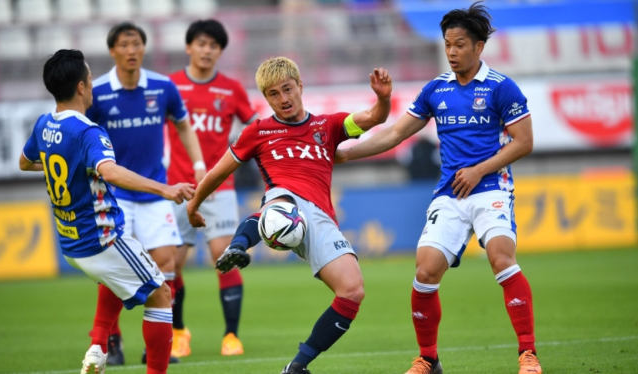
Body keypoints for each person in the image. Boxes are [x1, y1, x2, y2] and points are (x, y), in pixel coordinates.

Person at [335, 2, 541, 374]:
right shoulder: (436, 90)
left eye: (460, 44)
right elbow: (396, 133)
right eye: (447, 44)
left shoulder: (501, 88)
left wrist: (478, 170)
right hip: (450, 193)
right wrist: (347, 153)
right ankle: (428, 359)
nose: (452, 52)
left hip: (491, 186)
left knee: (500, 258)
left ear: (479, 47)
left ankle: (527, 354)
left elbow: (523, 142)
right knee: (425, 272)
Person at [186, 57, 393, 374]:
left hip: (320, 218)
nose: (283, 99)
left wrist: (383, 97)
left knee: (352, 291)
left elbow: (374, 117)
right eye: (273, 94)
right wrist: (194, 203)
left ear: (300, 86)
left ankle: (297, 366)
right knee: (281, 207)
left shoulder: (329, 126)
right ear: (265, 98)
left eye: (287, 89)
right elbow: (219, 170)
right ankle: (239, 245)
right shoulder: (258, 131)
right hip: (283, 203)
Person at [19, 49, 195, 374]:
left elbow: (26, 161)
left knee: (116, 276)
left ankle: (98, 346)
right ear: (82, 87)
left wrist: (69, 169)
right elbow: (110, 172)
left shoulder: (45, 125)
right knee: (161, 295)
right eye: (88, 76)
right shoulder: (89, 132)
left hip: (70, 243)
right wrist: (165, 189)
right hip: (101, 239)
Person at [85, 22, 205, 365]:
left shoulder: (163, 87)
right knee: (115, 268)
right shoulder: (99, 92)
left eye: (136, 43)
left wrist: (198, 164)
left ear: (143, 47)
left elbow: (183, 123)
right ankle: (111, 340)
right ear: (112, 51)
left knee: (165, 263)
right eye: (124, 44)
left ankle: (155, 343)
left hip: (155, 193)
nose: (131, 50)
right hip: (114, 195)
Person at [166, 19, 259, 358]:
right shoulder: (170, 86)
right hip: (178, 188)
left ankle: (231, 336)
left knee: (226, 257)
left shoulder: (232, 89)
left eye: (214, 46)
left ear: (220, 51)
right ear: (189, 47)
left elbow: (254, 128)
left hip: (220, 187)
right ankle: (178, 332)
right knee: (171, 264)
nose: (207, 50)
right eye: (201, 44)